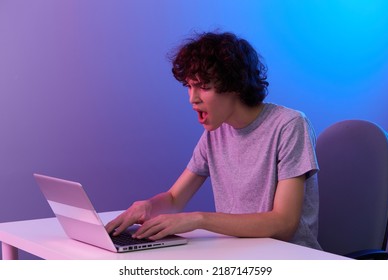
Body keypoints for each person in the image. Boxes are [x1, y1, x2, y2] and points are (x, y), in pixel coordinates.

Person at [105, 31, 322, 250]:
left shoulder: (290, 125)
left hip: (289, 256)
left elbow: (283, 224)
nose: (193, 98)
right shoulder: (215, 133)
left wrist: (199, 219)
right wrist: (147, 206)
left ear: (235, 85)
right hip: (238, 254)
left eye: (204, 87)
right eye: (189, 86)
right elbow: (173, 199)